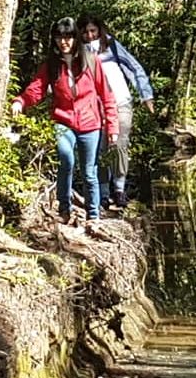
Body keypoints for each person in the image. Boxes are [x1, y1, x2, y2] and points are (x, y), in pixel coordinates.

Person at [12, 17, 118, 226]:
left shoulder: (91, 61)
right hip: (63, 121)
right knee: (66, 159)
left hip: (90, 124)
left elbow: (106, 94)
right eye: (60, 37)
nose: (64, 41)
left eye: (68, 36)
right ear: (54, 40)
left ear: (75, 38)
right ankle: (64, 209)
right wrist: (21, 101)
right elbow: (37, 89)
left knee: (89, 172)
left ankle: (93, 216)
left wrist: (112, 127)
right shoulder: (51, 65)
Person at [78, 14, 154, 210]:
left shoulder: (111, 45)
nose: (90, 35)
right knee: (100, 149)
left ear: (100, 30)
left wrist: (146, 95)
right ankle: (103, 193)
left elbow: (133, 67)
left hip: (120, 101)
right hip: (93, 107)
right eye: (85, 32)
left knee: (119, 144)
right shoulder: (77, 52)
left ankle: (119, 189)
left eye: (93, 31)